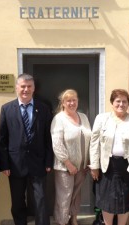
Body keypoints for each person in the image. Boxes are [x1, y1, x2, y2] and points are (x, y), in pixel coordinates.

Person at [0, 73, 53, 225]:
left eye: (29, 86)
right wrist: (5, 165)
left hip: (38, 162)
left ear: (34, 88)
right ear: (17, 88)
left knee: (40, 199)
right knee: (17, 201)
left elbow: (49, 137)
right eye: (23, 86)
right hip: (15, 163)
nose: (26, 90)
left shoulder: (44, 108)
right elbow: (2, 140)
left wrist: (49, 161)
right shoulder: (7, 109)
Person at [89, 89, 129, 225]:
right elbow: (94, 143)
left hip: (128, 167)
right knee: (106, 199)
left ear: (128, 104)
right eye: (118, 101)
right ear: (112, 102)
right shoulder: (101, 119)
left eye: (124, 101)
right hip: (106, 166)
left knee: (125, 199)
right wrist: (95, 166)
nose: (121, 104)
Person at [51, 89, 92, 225]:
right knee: (64, 196)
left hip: (82, 166)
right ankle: (61, 221)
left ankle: (73, 218)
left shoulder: (83, 117)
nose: (72, 103)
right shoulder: (59, 119)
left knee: (76, 194)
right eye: (68, 100)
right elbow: (57, 144)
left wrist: (89, 160)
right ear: (63, 103)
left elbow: (90, 139)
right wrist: (68, 164)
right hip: (65, 166)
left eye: (74, 100)